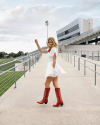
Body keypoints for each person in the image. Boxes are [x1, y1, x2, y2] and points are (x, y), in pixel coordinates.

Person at [35, 37, 67, 107]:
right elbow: (41, 51)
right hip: (53, 67)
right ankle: (60, 101)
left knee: (46, 83)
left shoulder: (53, 49)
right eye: (49, 42)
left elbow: (54, 60)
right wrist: (37, 43)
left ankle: (45, 99)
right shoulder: (50, 50)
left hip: (52, 67)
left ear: (53, 42)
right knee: (55, 84)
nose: (50, 43)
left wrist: (52, 69)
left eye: (51, 42)